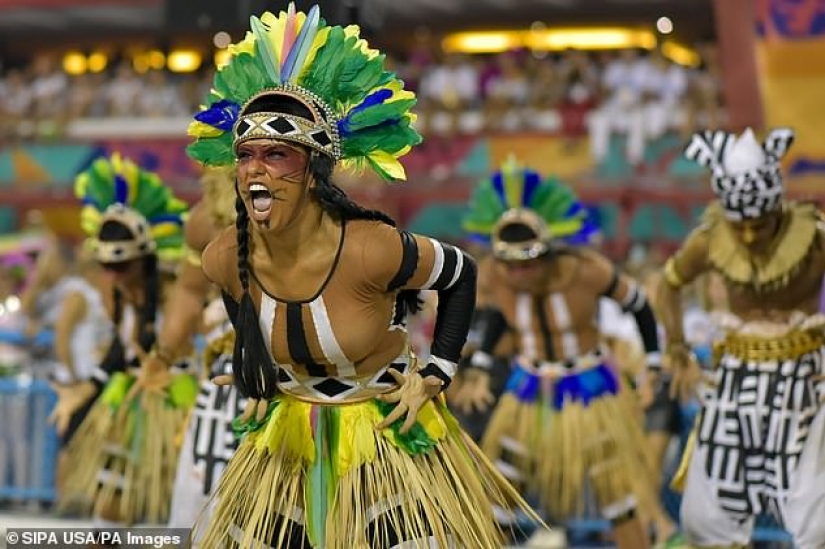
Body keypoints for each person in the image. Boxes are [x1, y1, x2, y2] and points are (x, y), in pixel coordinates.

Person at [185, 4, 540, 548]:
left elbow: (461, 274)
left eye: (277, 155)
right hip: (288, 442)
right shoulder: (222, 257)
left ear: (312, 173)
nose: (256, 169)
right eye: (247, 155)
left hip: (382, 438)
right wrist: (255, 369)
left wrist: (436, 374)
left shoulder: (371, 248)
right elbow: (240, 305)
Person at [454, 162, 662, 549]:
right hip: (528, 389)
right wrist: (481, 365)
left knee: (617, 495)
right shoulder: (496, 275)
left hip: (590, 387)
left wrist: (652, 364)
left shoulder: (587, 271)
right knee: (501, 493)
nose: (517, 274)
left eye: (527, 264)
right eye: (510, 265)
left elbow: (640, 306)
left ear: (547, 254)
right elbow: (498, 316)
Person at [659, 127, 825, 549]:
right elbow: (668, 284)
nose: (749, 236)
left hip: (807, 377)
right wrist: (676, 347)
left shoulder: (815, 239)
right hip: (736, 377)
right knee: (708, 511)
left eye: (760, 225)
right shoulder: (709, 241)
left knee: (816, 508)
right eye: (740, 227)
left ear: (779, 210)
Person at [50, 154, 198, 527]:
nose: (113, 276)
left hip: (174, 403)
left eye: (121, 267)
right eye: (106, 267)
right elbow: (117, 356)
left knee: (171, 506)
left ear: (144, 260)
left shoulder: (175, 291)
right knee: (112, 503)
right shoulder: (119, 297)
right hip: (127, 403)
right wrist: (83, 390)